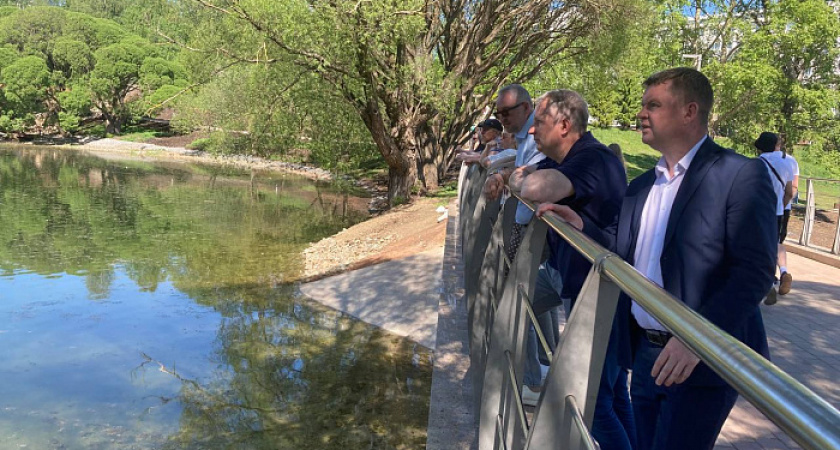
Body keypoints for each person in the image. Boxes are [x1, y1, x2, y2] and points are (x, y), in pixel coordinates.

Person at [617, 68, 776, 450]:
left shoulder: (740, 174)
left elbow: (754, 273)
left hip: (701, 363)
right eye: (643, 104)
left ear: (689, 111)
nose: (641, 113)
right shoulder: (641, 186)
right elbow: (624, 248)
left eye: (653, 104)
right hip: (645, 355)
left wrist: (696, 339)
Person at [509, 89, 633, 450]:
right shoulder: (565, 160)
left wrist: (521, 178)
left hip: (604, 297)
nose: (532, 133)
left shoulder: (590, 160)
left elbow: (530, 185)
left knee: (593, 404)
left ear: (564, 125)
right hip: (590, 291)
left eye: (540, 123)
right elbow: (526, 180)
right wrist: (522, 177)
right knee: (611, 396)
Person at [754, 131, 794, 304]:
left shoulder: (756, 163)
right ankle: (783, 271)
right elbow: (790, 192)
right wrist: (782, 206)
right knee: (775, 244)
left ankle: (767, 282)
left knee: (756, 247)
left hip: (757, 211)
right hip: (777, 211)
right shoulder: (787, 163)